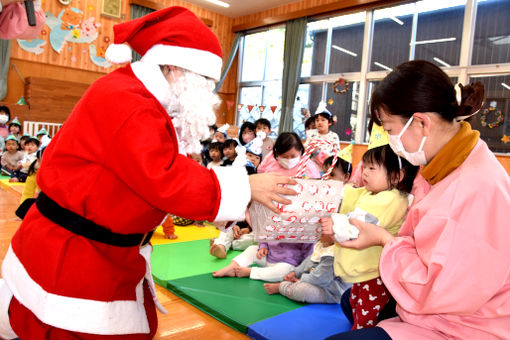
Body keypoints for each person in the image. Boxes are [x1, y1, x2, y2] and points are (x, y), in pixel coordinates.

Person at [0, 7, 298, 339]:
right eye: (204, 81)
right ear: (174, 66)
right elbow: (164, 176)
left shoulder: (136, 96)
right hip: (77, 254)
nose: (208, 94)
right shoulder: (132, 104)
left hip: (92, 247)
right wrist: (245, 186)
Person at [326, 60, 510, 340]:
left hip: (462, 324)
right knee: (350, 300)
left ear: (422, 122)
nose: (390, 140)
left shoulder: (475, 189)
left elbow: (439, 291)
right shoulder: (441, 162)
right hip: (433, 302)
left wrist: (383, 241)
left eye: (389, 129)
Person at [322, 135, 418, 330]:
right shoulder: (371, 193)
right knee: (356, 302)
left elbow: (360, 226)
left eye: (372, 168)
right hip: (365, 271)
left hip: (376, 274)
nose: (364, 172)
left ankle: (361, 331)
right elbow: (348, 194)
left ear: (397, 176)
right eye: (364, 167)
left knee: (367, 309)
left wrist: (336, 226)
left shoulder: (392, 200)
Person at [264, 233, 350, 304]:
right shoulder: (321, 245)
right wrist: (295, 273)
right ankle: (293, 284)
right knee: (294, 276)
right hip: (317, 281)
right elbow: (309, 260)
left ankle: (281, 287)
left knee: (302, 290)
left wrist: (300, 280)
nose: (320, 231)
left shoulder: (333, 255)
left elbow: (319, 279)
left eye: (325, 229)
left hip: (332, 292)